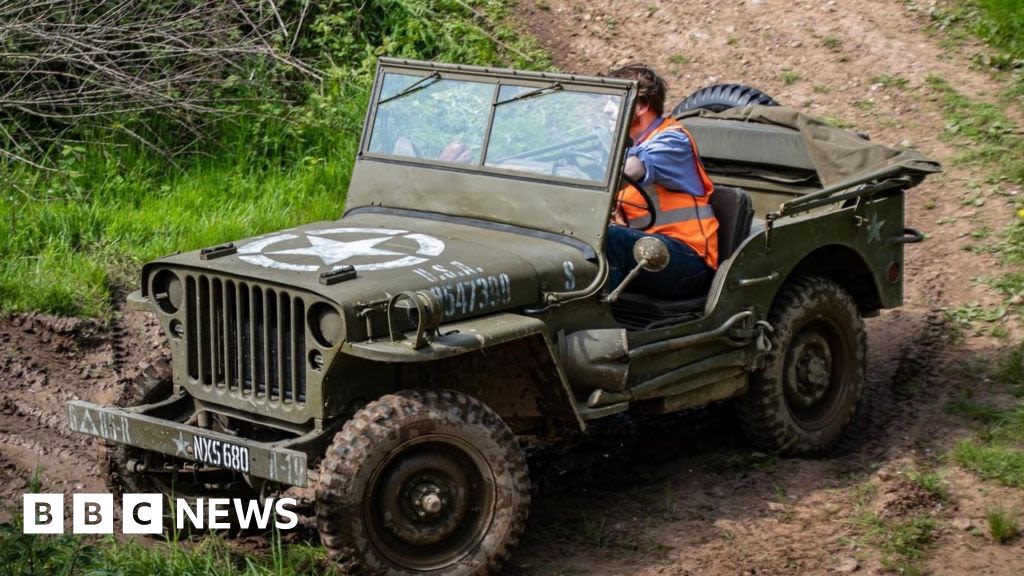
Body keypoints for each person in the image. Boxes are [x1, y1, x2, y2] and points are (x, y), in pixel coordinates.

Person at [604, 64, 719, 300]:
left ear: (642, 106)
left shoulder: (672, 140)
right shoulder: (627, 143)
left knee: (608, 239)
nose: (606, 110)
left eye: (615, 99)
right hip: (645, 250)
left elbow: (629, 171)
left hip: (686, 259)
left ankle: (596, 323)